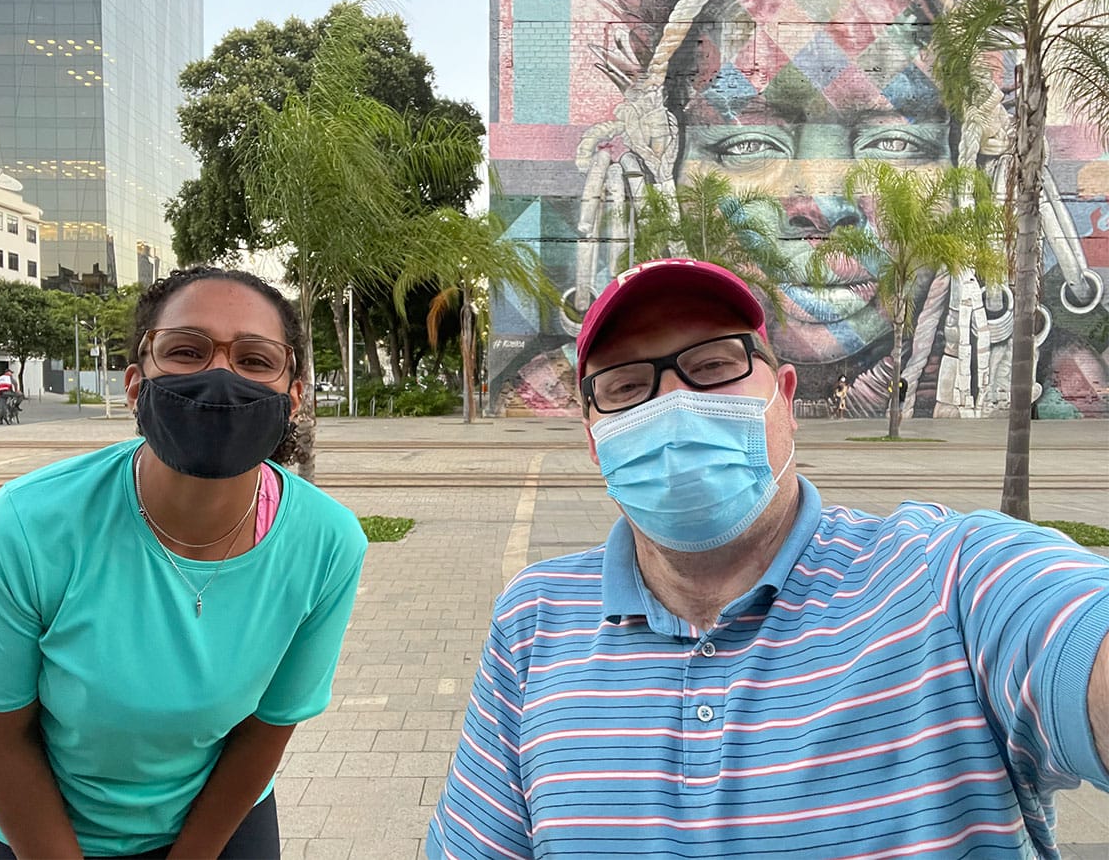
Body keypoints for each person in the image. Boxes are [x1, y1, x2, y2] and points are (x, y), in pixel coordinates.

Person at [429, 258, 1109, 858]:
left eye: (714, 367)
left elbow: (1072, 627)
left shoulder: (946, 579)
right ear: (592, 436)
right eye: (627, 387)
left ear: (785, 399)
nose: (675, 404)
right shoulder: (533, 621)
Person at [493, 0, 1108, 419]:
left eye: (894, 143)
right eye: (745, 144)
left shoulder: (1066, 392)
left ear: (967, 164)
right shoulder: (563, 396)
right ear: (662, 168)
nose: (818, 203)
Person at [0, 266, 368, 859]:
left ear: (293, 396)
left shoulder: (327, 542)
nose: (221, 376)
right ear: (137, 384)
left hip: (220, 817)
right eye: (186, 351)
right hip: (34, 823)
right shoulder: (27, 526)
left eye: (256, 360)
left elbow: (265, 731)